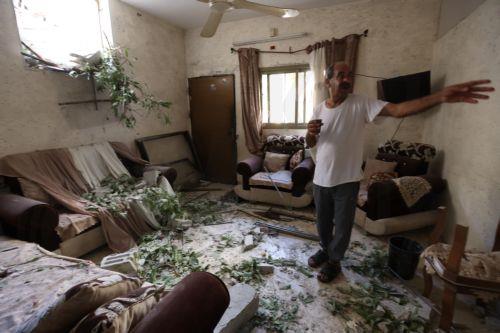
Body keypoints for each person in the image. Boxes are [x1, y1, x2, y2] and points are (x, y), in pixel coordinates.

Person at [306, 62, 494, 283]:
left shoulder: (361, 104)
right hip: (321, 179)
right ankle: (324, 249)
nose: (347, 79)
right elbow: (311, 142)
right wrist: (309, 132)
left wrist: (439, 96)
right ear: (328, 81)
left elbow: (398, 110)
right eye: (341, 75)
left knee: (343, 225)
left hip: (346, 180)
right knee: (323, 223)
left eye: (349, 75)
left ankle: (334, 261)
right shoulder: (319, 109)